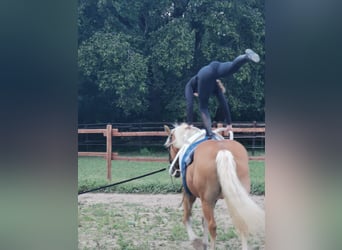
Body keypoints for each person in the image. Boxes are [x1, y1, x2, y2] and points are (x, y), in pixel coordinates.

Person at [185, 49, 260, 138]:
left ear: (196, 92)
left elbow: (190, 104)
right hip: (215, 66)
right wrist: (229, 123)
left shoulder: (189, 86)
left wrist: (189, 123)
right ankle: (246, 57)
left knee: (203, 107)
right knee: (232, 67)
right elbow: (224, 103)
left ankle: (209, 133)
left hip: (203, 74)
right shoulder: (215, 86)